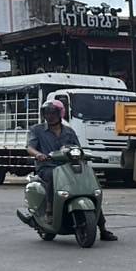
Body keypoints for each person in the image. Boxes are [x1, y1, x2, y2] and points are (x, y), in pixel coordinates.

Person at [20, 98, 117, 240]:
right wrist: (38, 154)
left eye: (53, 113)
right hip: (47, 167)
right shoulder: (37, 130)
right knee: (52, 176)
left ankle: (103, 228)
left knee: (88, 189)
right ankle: (49, 209)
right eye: (47, 113)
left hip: (68, 167)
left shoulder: (69, 132)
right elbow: (30, 147)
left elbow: (77, 148)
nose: (49, 116)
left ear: (60, 113)